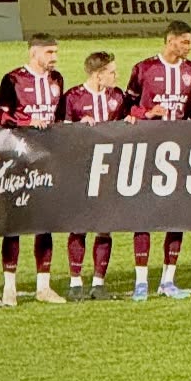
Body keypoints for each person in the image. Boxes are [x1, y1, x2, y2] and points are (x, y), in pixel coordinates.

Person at [124, 19, 191, 300]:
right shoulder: (144, 69)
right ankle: (141, 281)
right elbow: (127, 106)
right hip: (148, 149)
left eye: (190, 42)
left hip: (179, 153)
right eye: (185, 42)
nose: (189, 47)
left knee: (176, 216)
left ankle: (168, 280)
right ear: (171, 41)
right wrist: (146, 113)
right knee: (144, 214)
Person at [0, 35, 67, 306]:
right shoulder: (13, 79)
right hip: (18, 158)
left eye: (55, 52)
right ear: (34, 53)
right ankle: (9, 287)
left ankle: (43, 286)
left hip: (47, 159)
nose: (54, 57)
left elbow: (58, 118)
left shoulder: (57, 79)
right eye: (49, 52)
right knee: (14, 222)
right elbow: (0, 116)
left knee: (44, 222)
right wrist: (28, 120)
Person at [62, 52, 129, 301]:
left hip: (109, 171)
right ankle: (75, 283)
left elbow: (127, 124)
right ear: (98, 74)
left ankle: (99, 283)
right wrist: (79, 128)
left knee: (105, 227)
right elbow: (62, 133)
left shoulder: (118, 96)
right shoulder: (73, 97)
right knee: (79, 226)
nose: (116, 75)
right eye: (112, 71)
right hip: (81, 171)